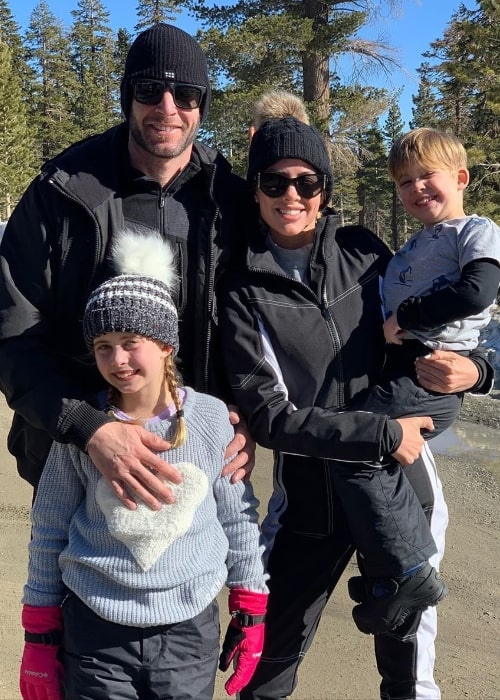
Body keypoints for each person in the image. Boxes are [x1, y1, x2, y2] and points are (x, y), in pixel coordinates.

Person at [219, 117, 495, 699]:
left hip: (401, 484)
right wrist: (375, 434)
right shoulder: (244, 291)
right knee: (265, 662)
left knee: (407, 668)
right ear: (256, 190)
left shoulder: (368, 254)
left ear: (324, 191)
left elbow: (437, 329)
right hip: (310, 499)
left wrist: (480, 372)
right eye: (274, 182)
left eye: (308, 182)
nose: (292, 196)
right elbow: (270, 417)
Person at [0, 23, 253, 512]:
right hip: (72, 458)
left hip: (196, 456)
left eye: (185, 93)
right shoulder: (61, 192)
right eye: (149, 89)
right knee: (66, 586)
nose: (167, 107)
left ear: (202, 105)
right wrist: (89, 427)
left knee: (198, 586)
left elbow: (276, 315)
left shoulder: (231, 200)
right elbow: (13, 330)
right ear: (126, 97)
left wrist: (251, 419)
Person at [19, 230, 269, 700]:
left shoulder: (212, 417)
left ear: (166, 345)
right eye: (103, 346)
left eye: (131, 341)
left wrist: (250, 604)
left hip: (188, 633)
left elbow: (236, 515)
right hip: (94, 633)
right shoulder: (82, 429)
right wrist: (39, 633)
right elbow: (49, 526)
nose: (117, 359)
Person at [349, 126, 500, 443]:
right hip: (399, 367)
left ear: (460, 179)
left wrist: (405, 317)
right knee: (358, 446)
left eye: (427, 174)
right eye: (405, 181)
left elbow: (477, 293)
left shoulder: (474, 230)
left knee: (351, 438)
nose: (416, 186)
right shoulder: (412, 246)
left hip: (429, 376)